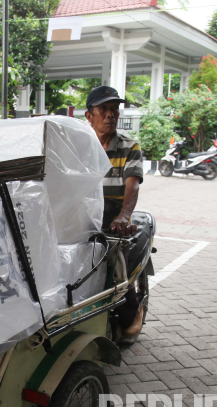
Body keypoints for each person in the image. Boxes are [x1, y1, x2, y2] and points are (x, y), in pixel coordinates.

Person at [84, 85, 144, 338]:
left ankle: (133, 308)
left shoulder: (130, 147)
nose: (110, 115)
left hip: (113, 218)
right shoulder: (80, 147)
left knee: (116, 269)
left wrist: (123, 216)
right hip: (84, 216)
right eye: (103, 109)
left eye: (114, 109)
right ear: (89, 116)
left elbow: (132, 185)